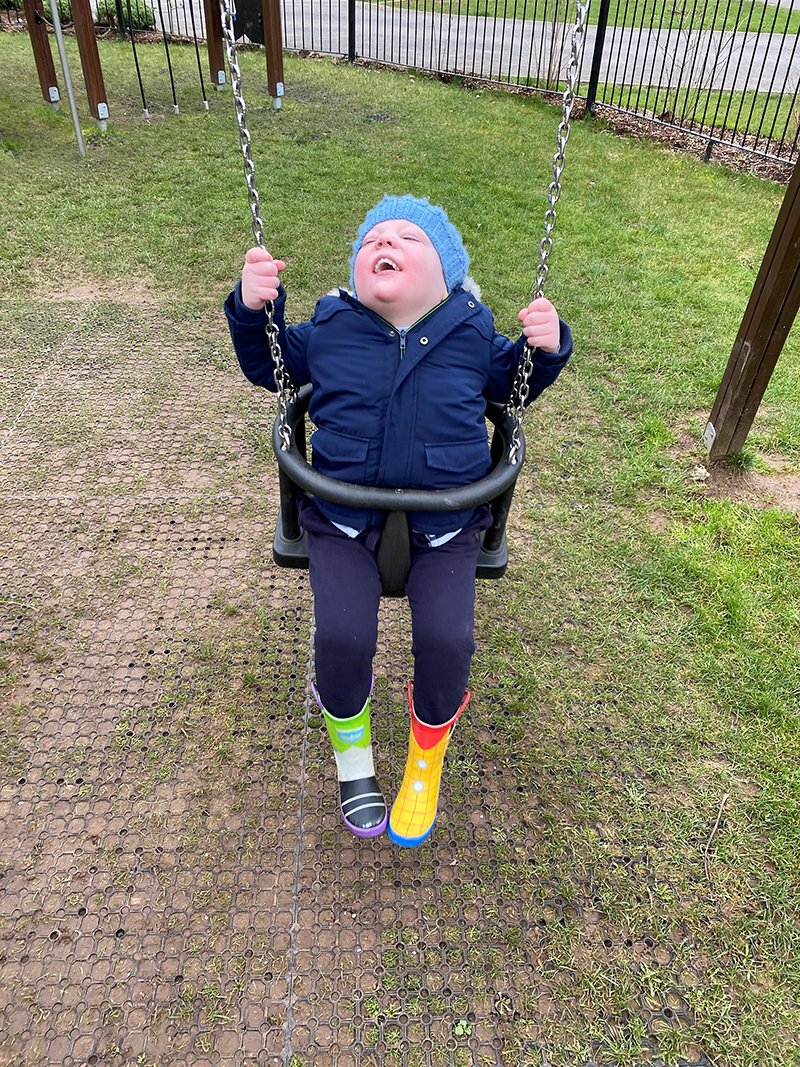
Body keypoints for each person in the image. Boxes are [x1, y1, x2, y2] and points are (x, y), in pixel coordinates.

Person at [225, 195, 572, 847]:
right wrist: (252, 311)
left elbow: (515, 387)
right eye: (371, 239)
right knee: (343, 639)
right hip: (339, 516)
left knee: (448, 642)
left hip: (446, 525)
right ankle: (353, 763)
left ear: (445, 271)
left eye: (406, 237)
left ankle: (425, 758)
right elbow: (261, 365)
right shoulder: (329, 324)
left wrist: (546, 349)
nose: (384, 241)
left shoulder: (471, 329)